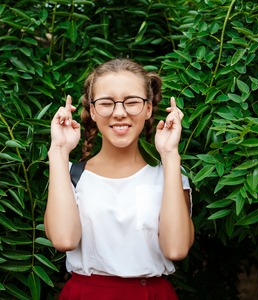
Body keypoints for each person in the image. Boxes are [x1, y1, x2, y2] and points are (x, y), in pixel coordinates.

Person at [44, 58, 194, 300]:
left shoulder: (168, 174)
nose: (119, 113)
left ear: (147, 109)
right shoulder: (70, 174)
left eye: (132, 102)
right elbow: (64, 240)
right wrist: (59, 151)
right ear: (92, 110)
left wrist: (170, 154)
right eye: (106, 103)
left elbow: (176, 249)